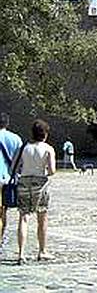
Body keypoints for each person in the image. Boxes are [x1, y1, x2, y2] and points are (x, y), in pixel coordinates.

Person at [15, 119, 56, 264]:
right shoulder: (48, 149)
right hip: (40, 182)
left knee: (23, 217)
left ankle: (21, 253)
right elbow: (52, 171)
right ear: (45, 134)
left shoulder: (24, 148)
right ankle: (42, 251)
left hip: (24, 181)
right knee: (42, 216)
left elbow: (16, 166)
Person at [0, 112, 23, 251]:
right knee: (4, 211)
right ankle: (1, 238)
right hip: (9, 181)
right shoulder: (16, 139)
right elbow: (20, 161)